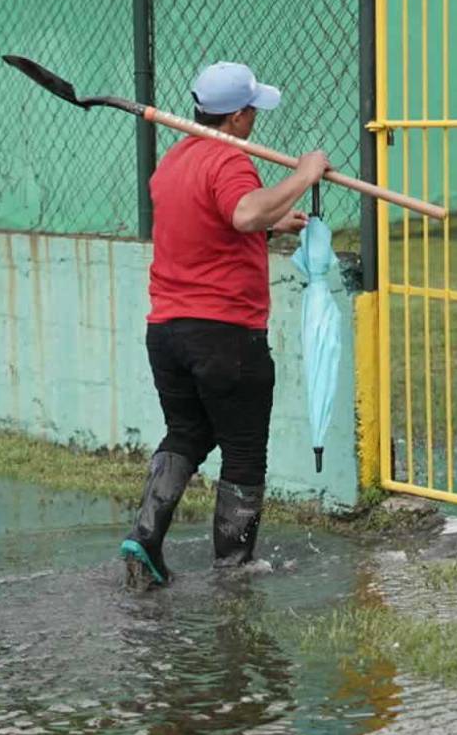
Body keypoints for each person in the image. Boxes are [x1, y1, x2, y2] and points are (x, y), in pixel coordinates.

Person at [119, 61, 329, 586]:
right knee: (242, 449)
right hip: (225, 334)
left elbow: (216, 223)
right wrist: (304, 175)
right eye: (252, 110)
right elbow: (241, 214)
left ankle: (143, 539)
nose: (255, 118)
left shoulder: (173, 160)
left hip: (166, 330)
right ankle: (235, 570)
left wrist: (271, 222)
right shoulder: (230, 160)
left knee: (187, 431)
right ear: (236, 117)